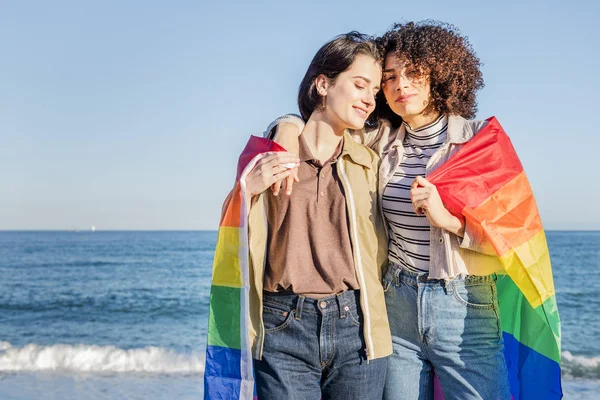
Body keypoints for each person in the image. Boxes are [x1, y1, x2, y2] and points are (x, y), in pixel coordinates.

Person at [270, 21, 511, 400]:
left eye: (414, 73)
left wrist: (447, 220)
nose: (401, 86)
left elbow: (512, 238)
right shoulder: (378, 139)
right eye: (390, 77)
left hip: (463, 306)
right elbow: (324, 123)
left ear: (442, 76)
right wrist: (285, 125)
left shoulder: (479, 141)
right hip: (393, 304)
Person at [243, 32, 391, 400]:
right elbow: (236, 237)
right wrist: (247, 191)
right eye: (359, 85)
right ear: (323, 84)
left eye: (374, 90)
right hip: (282, 327)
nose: (369, 99)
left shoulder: (369, 163)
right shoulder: (267, 156)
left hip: (358, 328)